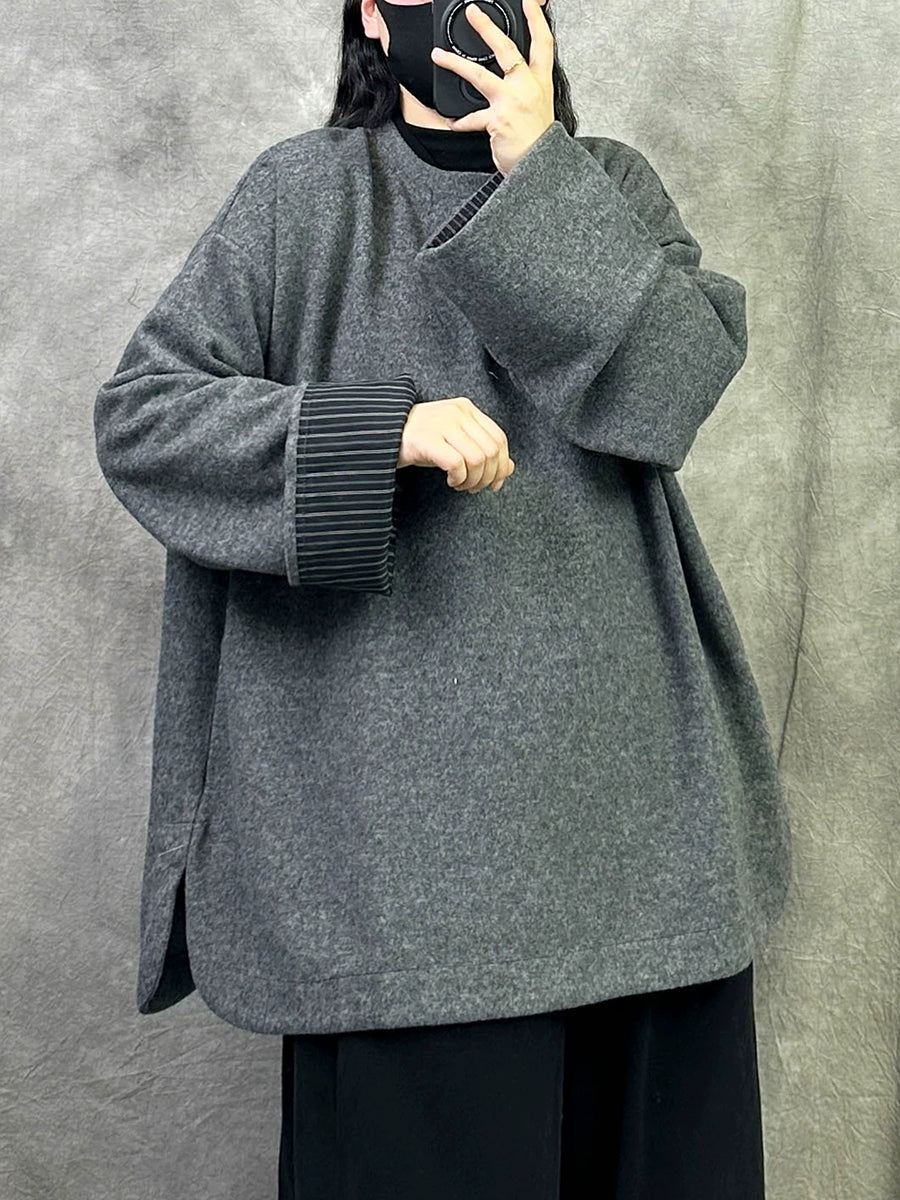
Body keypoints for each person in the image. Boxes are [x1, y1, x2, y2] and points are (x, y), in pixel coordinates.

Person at [93, 0, 792, 1195]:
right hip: (393, 879)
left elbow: (675, 391)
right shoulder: (299, 197)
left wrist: (539, 175)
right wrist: (379, 434)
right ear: (373, 14)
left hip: (640, 843)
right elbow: (145, 422)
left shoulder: (608, 184)